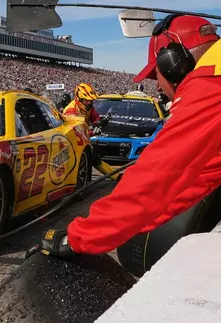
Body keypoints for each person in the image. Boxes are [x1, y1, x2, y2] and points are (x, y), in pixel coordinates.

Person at [38, 14, 221, 276]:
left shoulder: (210, 81)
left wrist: (77, 238)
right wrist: (124, 226)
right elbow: (198, 179)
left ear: (173, 63)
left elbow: (155, 178)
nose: (158, 86)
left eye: (156, 75)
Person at [63, 83, 120, 180]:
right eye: (87, 101)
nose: (89, 103)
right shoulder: (71, 111)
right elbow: (76, 132)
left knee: (94, 158)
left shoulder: (89, 107)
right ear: (79, 99)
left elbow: (96, 119)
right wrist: (92, 130)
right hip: (71, 140)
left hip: (82, 139)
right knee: (83, 162)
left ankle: (117, 176)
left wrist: (101, 122)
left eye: (91, 100)